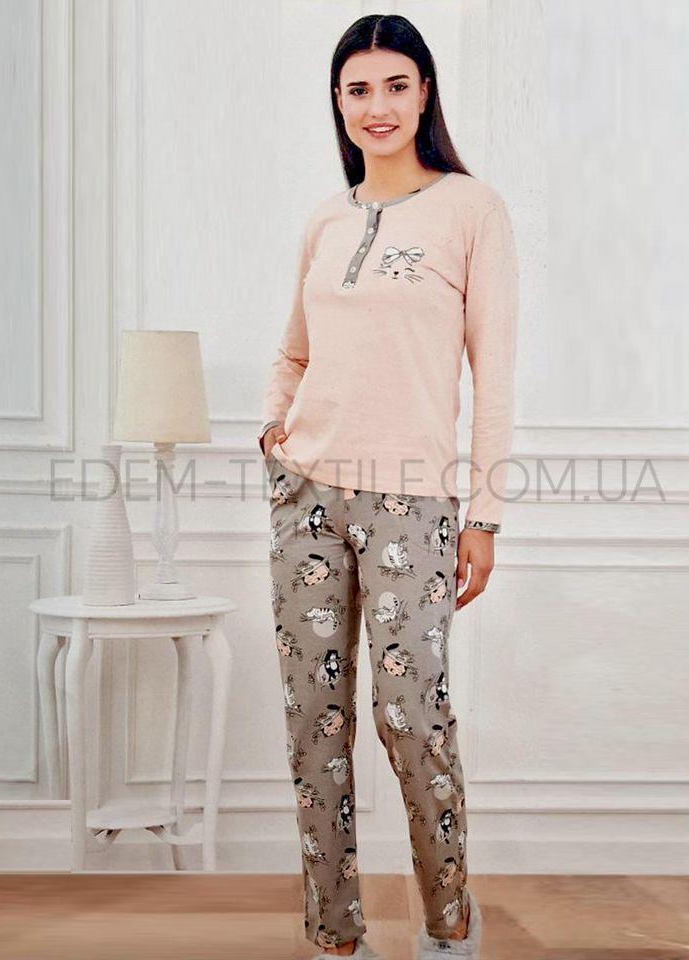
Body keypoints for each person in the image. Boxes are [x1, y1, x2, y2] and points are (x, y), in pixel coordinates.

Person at [258, 13, 516, 960]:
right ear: (338, 101)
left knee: (410, 718)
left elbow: (495, 376)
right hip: (306, 497)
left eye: (396, 85)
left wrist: (483, 516)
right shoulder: (327, 220)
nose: (379, 106)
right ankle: (336, 937)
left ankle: (448, 926)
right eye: (359, 89)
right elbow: (294, 350)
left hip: (416, 504)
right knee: (313, 728)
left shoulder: (471, 210)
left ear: (425, 93)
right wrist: (275, 431)